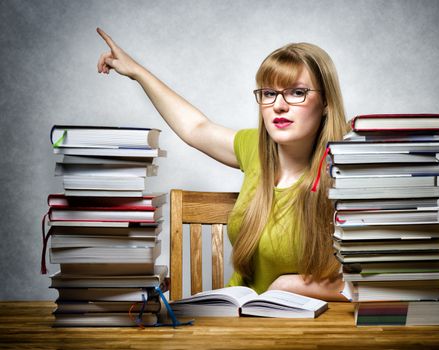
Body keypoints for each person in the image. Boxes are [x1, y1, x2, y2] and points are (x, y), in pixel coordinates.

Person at [96, 28, 348, 301]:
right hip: (242, 317)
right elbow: (195, 128)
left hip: (314, 329)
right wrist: (136, 72)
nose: (279, 105)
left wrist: (290, 287)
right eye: (268, 93)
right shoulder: (256, 149)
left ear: (325, 102)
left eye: (297, 92)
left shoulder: (351, 167)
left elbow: (381, 279)